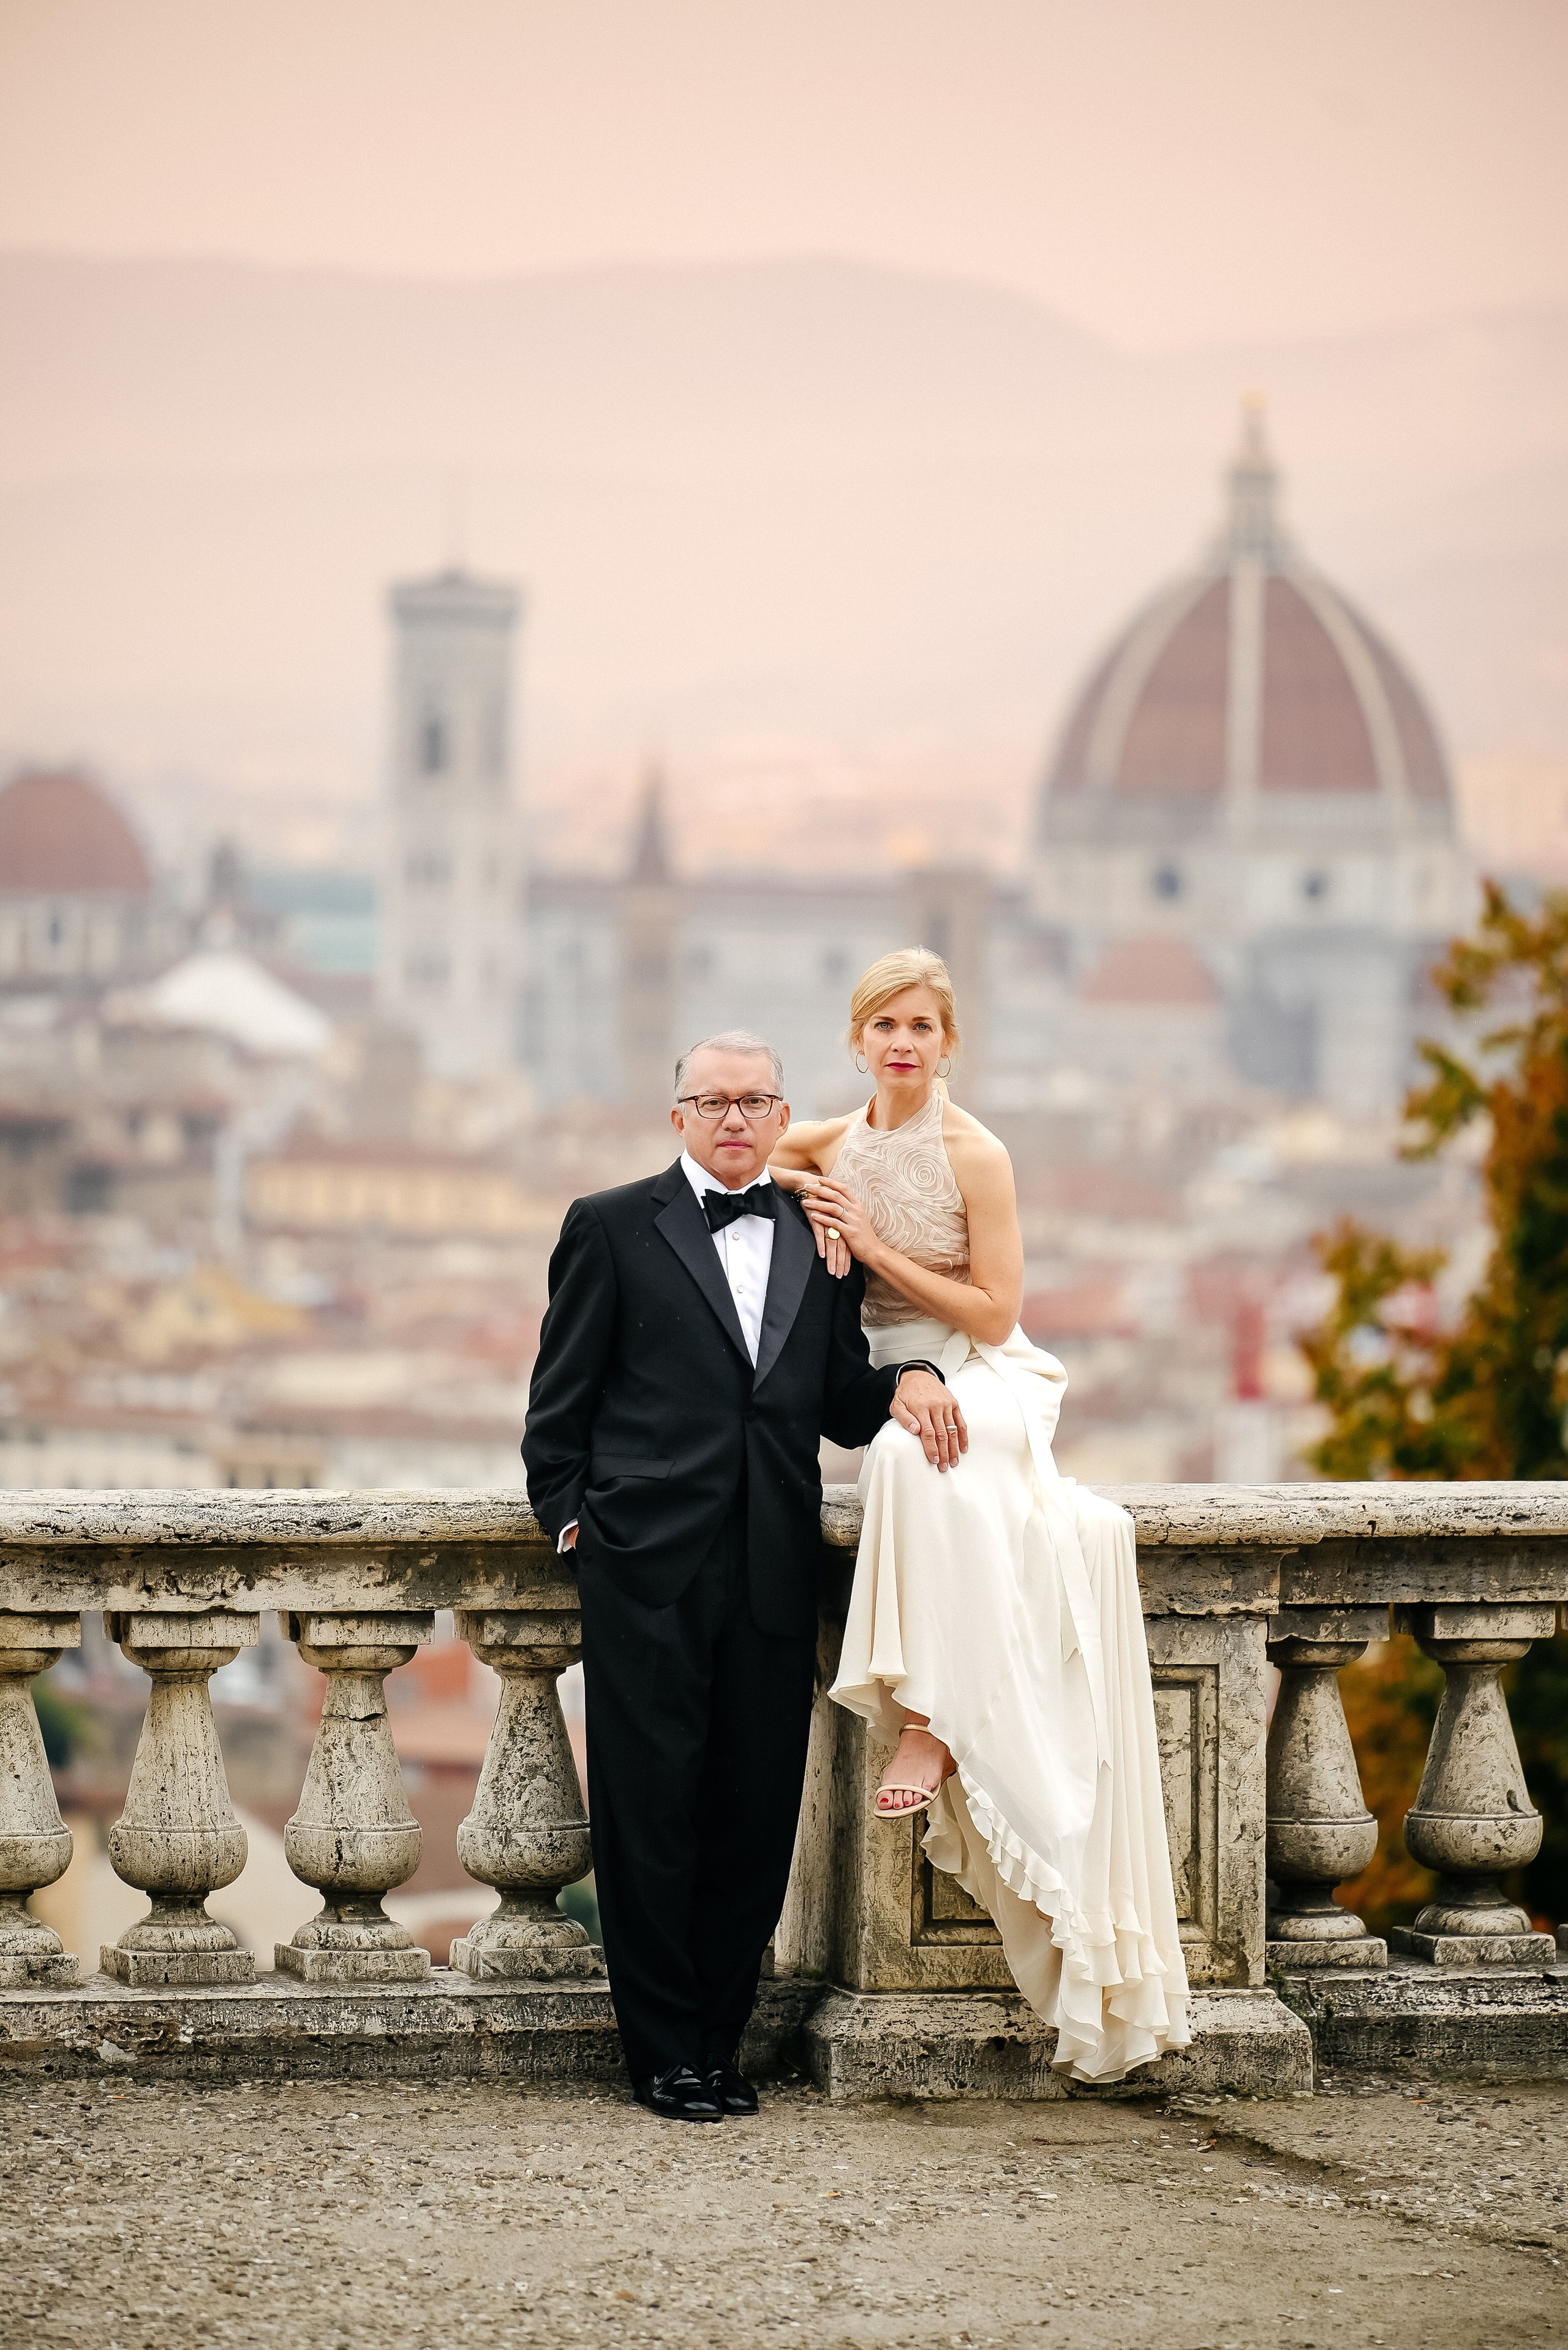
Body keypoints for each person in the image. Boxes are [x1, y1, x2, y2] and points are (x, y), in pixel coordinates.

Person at [521, 1029, 962, 2123]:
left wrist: (908, 1378)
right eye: (710, 1100)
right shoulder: (610, 1224)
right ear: (678, 1117)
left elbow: (832, 1396)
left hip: (773, 1566)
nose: (731, 1117)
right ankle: (664, 2054)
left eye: (754, 1100)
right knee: (650, 1815)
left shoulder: (820, 1235)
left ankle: (720, 2046)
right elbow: (557, 1405)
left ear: (780, 1117)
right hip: (646, 1569)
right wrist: (580, 1526)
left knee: (754, 1816)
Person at [769, 951, 1189, 2084]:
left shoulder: (978, 1154)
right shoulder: (823, 1141)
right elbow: (747, 1168)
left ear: (949, 1042)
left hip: (984, 1369)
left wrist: (873, 1244)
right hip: (888, 1372)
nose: (903, 1043)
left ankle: (933, 1718)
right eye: (883, 1025)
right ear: (856, 1039)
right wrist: (810, 1209)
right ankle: (940, 1704)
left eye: (922, 1026)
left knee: (918, 1464)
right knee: (903, 1454)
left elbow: (999, 1307)